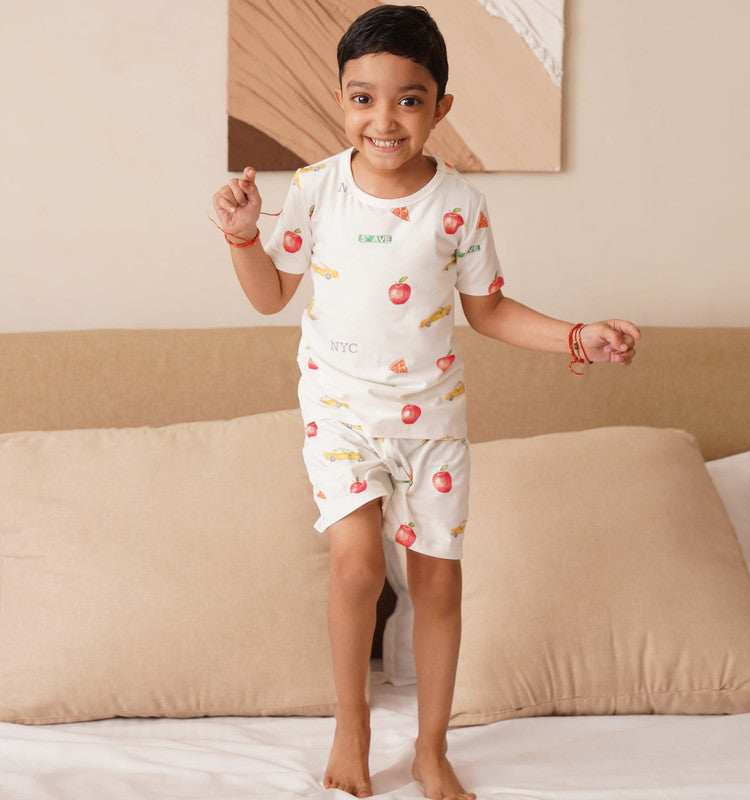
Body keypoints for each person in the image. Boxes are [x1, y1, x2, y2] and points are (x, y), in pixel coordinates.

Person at [212, 6, 640, 799]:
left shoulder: (459, 204)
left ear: (440, 107)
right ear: (341, 101)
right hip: (340, 413)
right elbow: (271, 295)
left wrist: (578, 337)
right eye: (363, 98)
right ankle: (352, 725)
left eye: (408, 100)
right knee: (357, 564)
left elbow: (490, 310)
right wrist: (242, 235)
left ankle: (430, 749)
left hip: (431, 421)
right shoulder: (312, 190)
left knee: (439, 583)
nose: (384, 119)